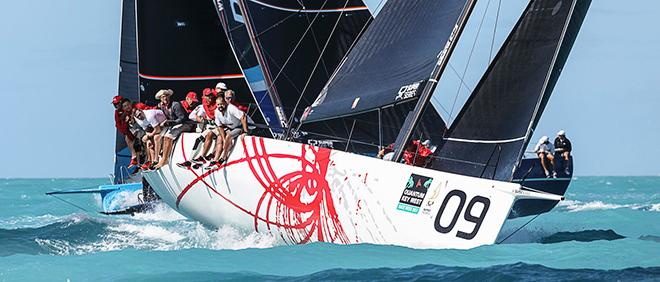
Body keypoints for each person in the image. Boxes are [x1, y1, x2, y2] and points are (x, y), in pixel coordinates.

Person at [177, 88, 219, 169]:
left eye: (211, 95)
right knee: (198, 139)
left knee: (209, 136)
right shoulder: (203, 105)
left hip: (219, 127)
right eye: (207, 96)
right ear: (204, 97)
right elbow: (191, 116)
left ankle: (205, 158)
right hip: (211, 127)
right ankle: (189, 161)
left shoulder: (217, 103)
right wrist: (203, 120)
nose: (210, 98)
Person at [154, 89, 196, 169]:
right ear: (160, 99)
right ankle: (156, 159)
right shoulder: (162, 107)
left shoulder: (175, 104)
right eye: (163, 97)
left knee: (168, 137)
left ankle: (164, 160)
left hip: (185, 124)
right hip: (173, 124)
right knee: (158, 136)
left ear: (169, 96)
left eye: (166, 96)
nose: (165, 98)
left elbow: (182, 118)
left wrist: (171, 122)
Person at [207, 93, 249, 168]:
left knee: (229, 136)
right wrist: (223, 139)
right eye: (218, 104)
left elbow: (243, 117)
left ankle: (223, 158)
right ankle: (215, 159)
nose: (220, 106)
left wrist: (245, 132)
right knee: (220, 138)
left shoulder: (231, 108)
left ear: (225, 103)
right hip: (230, 127)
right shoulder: (217, 111)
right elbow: (220, 127)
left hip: (240, 126)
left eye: (221, 104)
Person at [112, 95, 138, 168]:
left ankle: (136, 158)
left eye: (117, 104)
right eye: (115, 104)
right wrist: (125, 131)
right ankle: (135, 159)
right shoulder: (117, 112)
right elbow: (118, 124)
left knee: (134, 141)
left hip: (137, 128)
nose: (116, 106)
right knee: (127, 138)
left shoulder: (132, 107)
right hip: (128, 131)